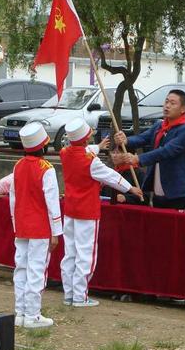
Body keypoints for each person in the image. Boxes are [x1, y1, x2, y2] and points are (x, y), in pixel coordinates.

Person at [60, 118, 142, 307]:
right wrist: (130, 189)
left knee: (70, 253)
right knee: (86, 253)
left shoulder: (65, 153)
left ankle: (69, 293)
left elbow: (84, 150)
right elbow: (111, 176)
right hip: (87, 211)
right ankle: (80, 296)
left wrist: (97, 146)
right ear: (86, 138)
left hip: (71, 209)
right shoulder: (91, 162)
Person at [9, 123, 63, 328]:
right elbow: (52, 203)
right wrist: (56, 231)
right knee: (36, 270)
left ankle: (20, 312)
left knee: (21, 268)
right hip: (40, 227)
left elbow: (13, 198)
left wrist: (15, 223)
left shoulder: (18, 166)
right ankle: (32, 314)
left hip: (22, 225)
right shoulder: (46, 169)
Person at [113, 89, 185, 210]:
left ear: (183, 109)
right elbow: (142, 138)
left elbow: (166, 151)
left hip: (178, 193)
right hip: (158, 192)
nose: (167, 106)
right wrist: (126, 140)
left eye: (173, 103)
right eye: (166, 101)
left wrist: (138, 158)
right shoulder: (159, 125)